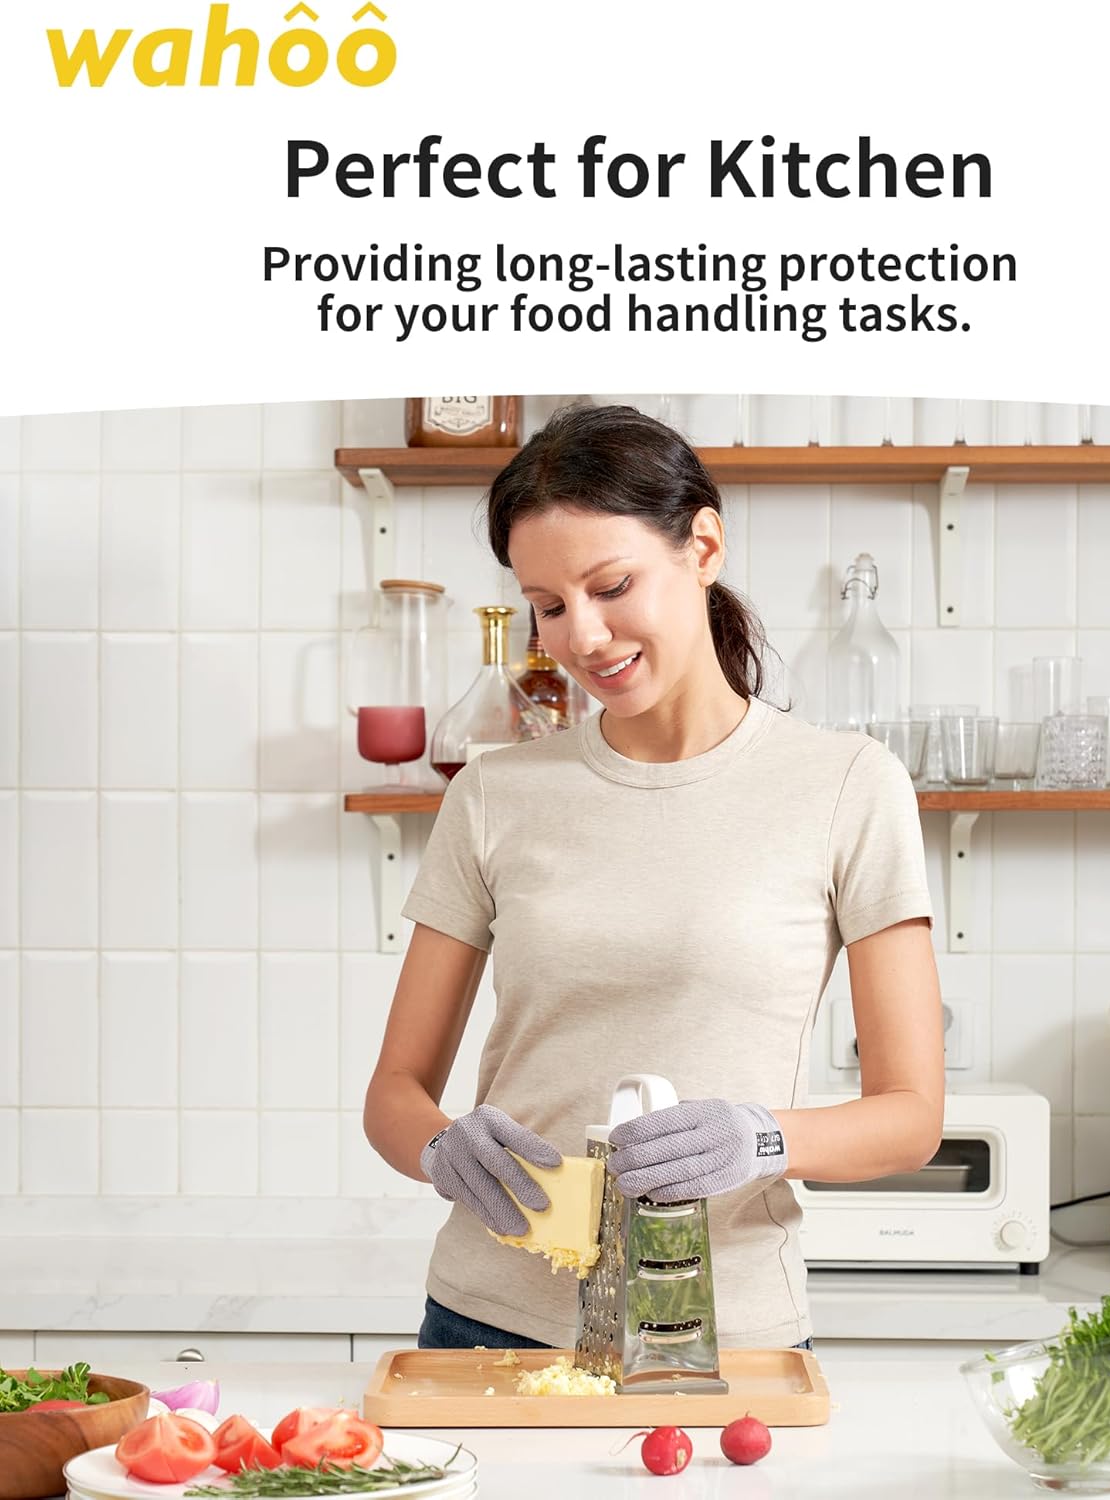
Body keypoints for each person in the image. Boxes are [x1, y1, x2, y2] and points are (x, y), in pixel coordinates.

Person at [363, 403, 943, 1353]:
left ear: (703, 545)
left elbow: (911, 1117)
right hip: (489, 1321)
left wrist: (761, 1138)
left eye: (612, 584)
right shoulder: (494, 793)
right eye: (549, 605)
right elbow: (395, 1088)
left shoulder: (847, 784)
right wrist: (437, 1147)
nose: (582, 636)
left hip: (724, 1330)